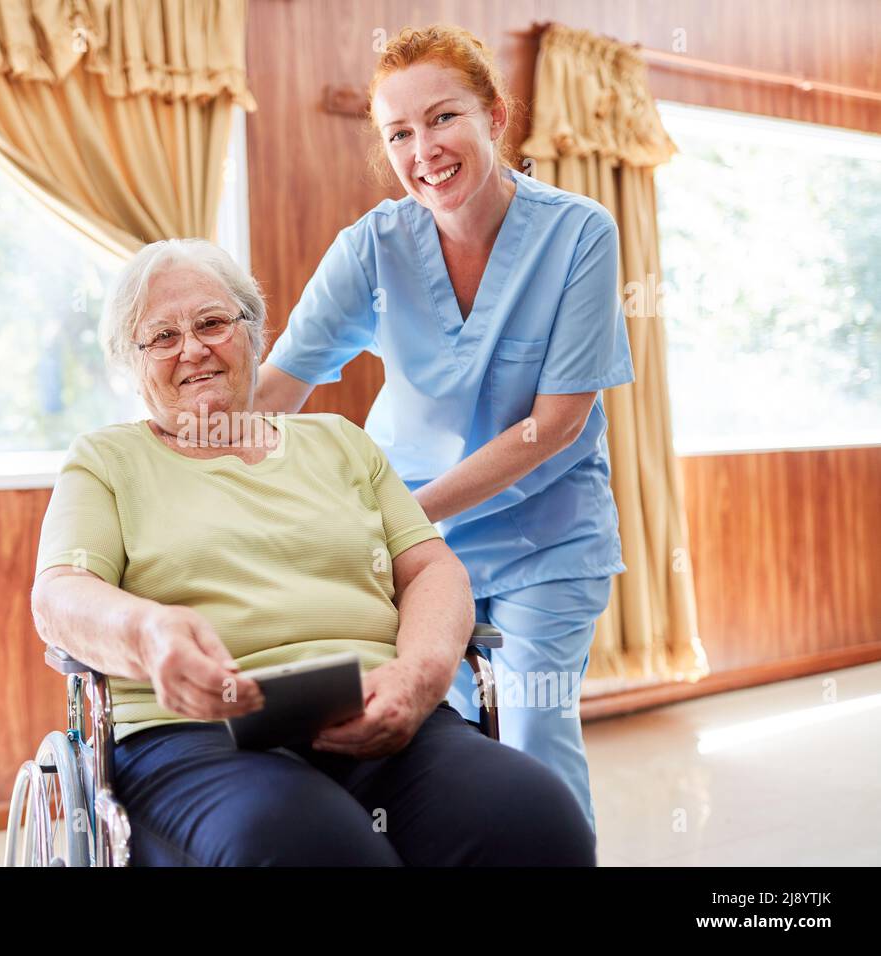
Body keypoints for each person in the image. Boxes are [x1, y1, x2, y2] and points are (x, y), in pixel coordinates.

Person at [31, 237, 596, 866]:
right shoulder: (106, 460)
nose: (192, 349)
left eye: (213, 323)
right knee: (311, 847)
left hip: (377, 704)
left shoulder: (339, 442)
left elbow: (431, 568)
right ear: (129, 364)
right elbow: (61, 595)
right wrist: (148, 632)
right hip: (194, 733)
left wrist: (417, 677)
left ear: (254, 335)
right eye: (161, 337)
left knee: (534, 818)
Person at [254, 25, 635, 834]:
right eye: (398, 132)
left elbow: (557, 423)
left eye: (443, 118)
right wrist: (187, 464)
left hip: (545, 538)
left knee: (533, 731)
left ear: (496, 117)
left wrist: (405, 513)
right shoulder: (372, 249)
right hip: (419, 551)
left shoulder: (578, 235)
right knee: (443, 748)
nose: (422, 148)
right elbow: (279, 386)